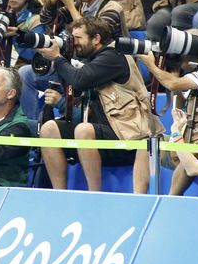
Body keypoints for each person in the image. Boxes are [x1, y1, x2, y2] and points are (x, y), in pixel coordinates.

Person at [37, 17, 162, 193]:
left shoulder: (114, 55)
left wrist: (58, 59)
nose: (74, 43)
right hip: (102, 134)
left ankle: (94, 193)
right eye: (72, 38)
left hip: (129, 136)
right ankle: (60, 193)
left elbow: (80, 80)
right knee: (49, 129)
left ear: (96, 39)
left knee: (83, 130)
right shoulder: (92, 59)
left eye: (78, 39)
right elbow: (75, 87)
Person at [135, 44, 198, 195]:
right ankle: (139, 199)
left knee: (188, 154)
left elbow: (172, 83)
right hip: (190, 139)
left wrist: (152, 66)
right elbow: (180, 106)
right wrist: (174, 74)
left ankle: (171, 200)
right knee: (145, 146)